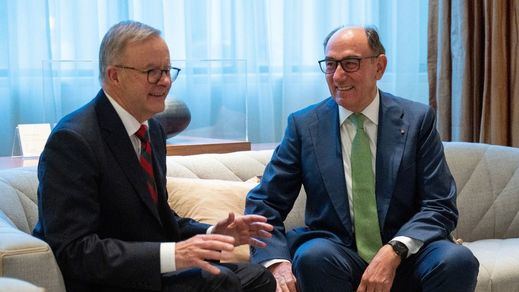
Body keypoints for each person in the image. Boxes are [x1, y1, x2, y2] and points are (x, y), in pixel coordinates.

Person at [33, 20, 276, 292]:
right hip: (107, 279)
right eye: (152, 72)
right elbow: (74, 250)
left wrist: (211, 235)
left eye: (167, 70)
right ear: (114, 76)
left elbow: (159, 219)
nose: (166, 81)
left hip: (152, 271)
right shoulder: (73, 140)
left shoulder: (152, 130)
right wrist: (174, 255)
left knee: (258, 278)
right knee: (220, 282)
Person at [245, 26, 479, 292]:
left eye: (350, 63)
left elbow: (440, 205)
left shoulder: (417, 120)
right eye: (331, 64)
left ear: (379, 66)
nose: (338, 76)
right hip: (337, 253)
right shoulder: (305, 126)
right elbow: (265, 203)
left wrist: (395, 250)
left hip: (409, 254)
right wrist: (276, 262)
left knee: (457, 260)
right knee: (312, 256)